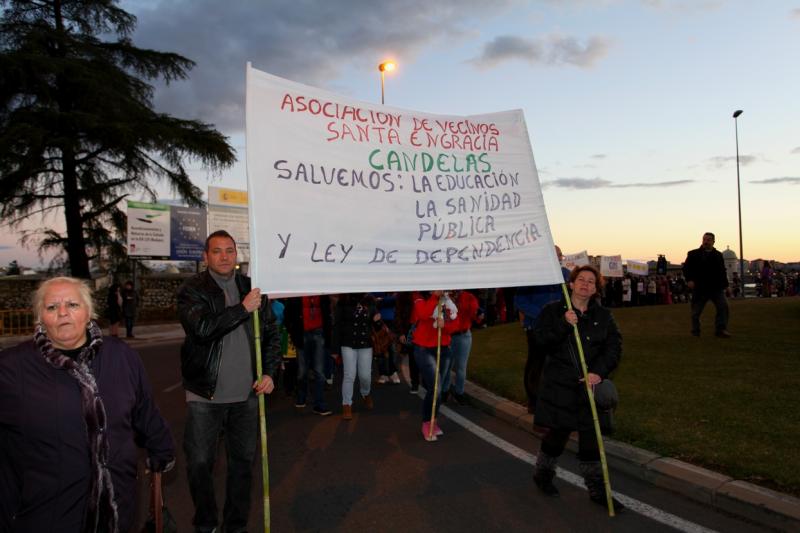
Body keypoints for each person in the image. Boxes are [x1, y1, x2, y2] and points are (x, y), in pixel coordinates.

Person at [0, 276, 175, 532]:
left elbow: (144, 410)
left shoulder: (121, 355)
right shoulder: (11, 368)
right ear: (39, 318)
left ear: (89, 312)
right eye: (51, 307)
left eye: (72, 304)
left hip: (117, 501)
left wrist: (162, 450)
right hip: (46, 508)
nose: (63, 313)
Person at [177, 230, 281, 533]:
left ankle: (235, 526)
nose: (224, 256)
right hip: (204, 396)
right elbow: (203, 328)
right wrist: (242, 309)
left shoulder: (252, 288)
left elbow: (272, 335)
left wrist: (270, 372)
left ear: (237, 254)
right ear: (206, 256)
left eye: (230, 250)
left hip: (247, 395)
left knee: (242, 466)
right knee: (199, 464)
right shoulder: (191, 289)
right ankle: (206, 523)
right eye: (217, 251)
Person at [531, 265, 623, 512]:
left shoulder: (603, 316)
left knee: (591, 440)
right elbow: (540, 342)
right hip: (560, 385)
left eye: (591, 282)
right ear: (571, 284)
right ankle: (543, 472)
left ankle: (597, 489)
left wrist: (598, 373)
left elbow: (614, 348)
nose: (585, 284)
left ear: (595, 289)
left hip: (589, 386)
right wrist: (563, 324)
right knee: (558, 434)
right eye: (580, 280)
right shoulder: (552, 311)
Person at [515, 245, 571, 412]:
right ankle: (533, 400)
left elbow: (570, 298)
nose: (558, 257)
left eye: (560, 254)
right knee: (536, 363)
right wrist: (543, 315)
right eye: (554, 254)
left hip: (559, 327)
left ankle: (553, 398)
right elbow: (520, 301)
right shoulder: (532, 274)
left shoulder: (566, 275)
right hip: (536, 327)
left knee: (558, 363)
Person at [412, 290, 458, 441]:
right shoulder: (418, 296)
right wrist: (434, 296)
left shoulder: (447, 299)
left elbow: (455, 323)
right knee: (436, 387)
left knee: (436, 388)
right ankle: (427, 423)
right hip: (423, 348)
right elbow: (424, 314)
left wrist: (445, 325)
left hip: (444, 347)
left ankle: (434, 422)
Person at [331, 293, 379, 420]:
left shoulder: (370, 301)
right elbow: (337, 326)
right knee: (349, 375)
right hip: (347, 343)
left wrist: (377, 320)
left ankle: (365, 393)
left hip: (365, 343)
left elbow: (377, 325)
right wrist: (335, 348)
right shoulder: (343, 302)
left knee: (365, 376)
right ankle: (346, 405)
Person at [284, 295, 333, 416]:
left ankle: (319, 404)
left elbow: (328, 312)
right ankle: (301, 397)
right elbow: (288, 313)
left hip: (319, 333)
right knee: (302, 371)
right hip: (302, 334)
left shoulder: (323, 293)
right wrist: (292, 330)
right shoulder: (296, 293)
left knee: (319, 371)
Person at [682, 232, 731, 338]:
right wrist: (689, 280)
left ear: (713, 241)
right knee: (696, 312)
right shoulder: (693, 254)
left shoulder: (718, 255)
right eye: (704, 239)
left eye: (708, 240)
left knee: (723, 307)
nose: (706, 242)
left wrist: (726, 286)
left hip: (716, 288)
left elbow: (722, 271)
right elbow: (686, 268)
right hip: (700, 288)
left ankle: (721, 329)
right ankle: (695, 331)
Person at [440, 289, 482, 405]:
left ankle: (459, 393)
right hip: (448, 335)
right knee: (447, 366)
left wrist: (477, 313)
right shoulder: (444, 297)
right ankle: (444, 391)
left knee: (461, 367)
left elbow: (476, 315)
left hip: (463, 335)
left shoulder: (468, 297)